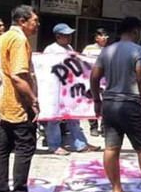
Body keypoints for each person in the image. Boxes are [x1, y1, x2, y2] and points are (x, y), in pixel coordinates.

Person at [90, 17, 141, 192]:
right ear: (136, 31)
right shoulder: (139, 50)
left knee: (111, 147)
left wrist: (97, 100)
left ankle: (116, 189)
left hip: (109, 104)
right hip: (130, 104)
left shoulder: (107, 51)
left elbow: (94, 77)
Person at [0, 5, 40, 192]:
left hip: (4, 102)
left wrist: (1, 81)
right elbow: (18, 76)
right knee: (24, 148)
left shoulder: (2, 38)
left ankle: (0, 189)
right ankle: (19, 190)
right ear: (22, 21)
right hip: (19, 103)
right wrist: (33, 100)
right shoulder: (19, 39)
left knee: (3, 148)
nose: (37, 25)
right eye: (35, 21)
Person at [42, 23, 100, 155]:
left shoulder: (69, 48)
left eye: (70, 35)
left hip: (68, 89)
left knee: (73, 116)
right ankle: (54, 145)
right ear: (58, 36)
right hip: (56, 89)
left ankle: (81, 144)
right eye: (66, 35)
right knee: (55, 118)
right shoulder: (50, 50)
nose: (69, 38)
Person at [83, 27, 109, 137]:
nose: (104, 38)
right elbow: (82, 62)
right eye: (101, 36)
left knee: (105, 104)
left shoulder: (109, 50)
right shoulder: (88, 49)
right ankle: (93, 127)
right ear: (96, 38)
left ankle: (104, 128)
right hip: (91, 80)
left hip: (105, 81)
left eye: (105, 36)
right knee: (92, 102)